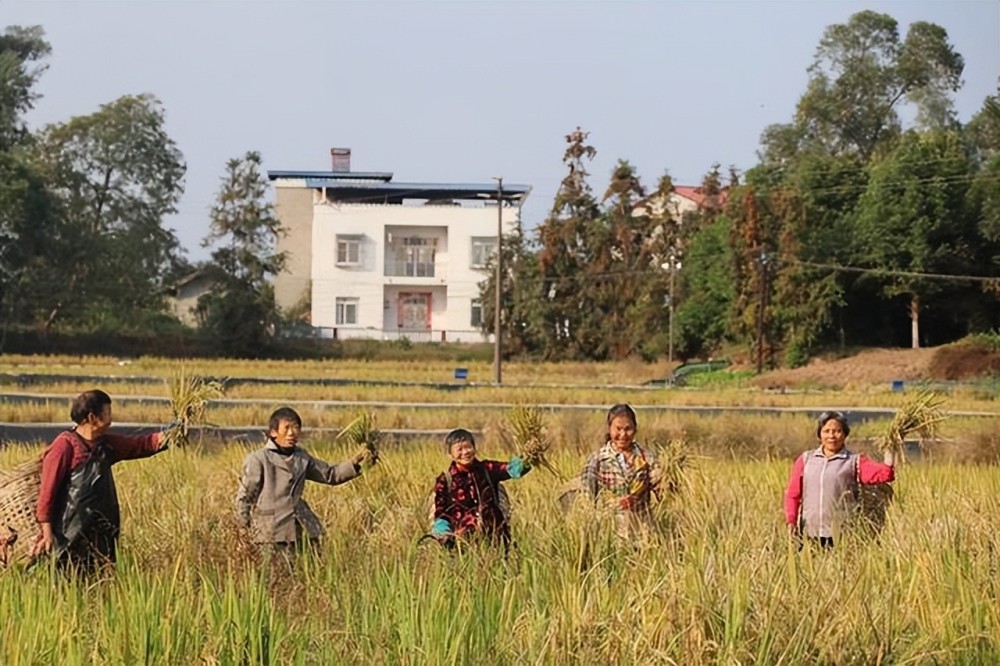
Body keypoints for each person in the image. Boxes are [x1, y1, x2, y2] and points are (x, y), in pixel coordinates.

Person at [31, 389, 168, 573]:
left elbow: (139, 445)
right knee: (68, 577)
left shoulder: (105, 444)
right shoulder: (64, 447)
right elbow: (47, 494)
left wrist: (168, 436)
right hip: (69, 534)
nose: (111, 417)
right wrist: (47, 533)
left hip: (101, 531)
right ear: (92, 417)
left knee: (101, 575)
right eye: (108, 412)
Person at [235, 407, 370, 556]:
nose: (291, 433)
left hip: (302, 529)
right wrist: (243, 528)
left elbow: (330, 474)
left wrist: (356, 461)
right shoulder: (259, 459)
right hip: (270, 533)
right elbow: (245, 497)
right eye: (286, 428)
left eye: (296, 428)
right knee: (275, 576)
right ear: (273, 432)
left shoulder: (302, 457)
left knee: (305, 573)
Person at [784, 410, 896, 548]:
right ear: (820, 434)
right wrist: (791, 521)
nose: (831, 436)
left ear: (845, 434)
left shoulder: (854, 461)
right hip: (809, 533)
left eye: (837, 431)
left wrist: (890, 449)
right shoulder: (806, 459)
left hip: (842, 537)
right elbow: (793, 495)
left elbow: (886, 475)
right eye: (826, 431)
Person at [429, 428, 529, 551]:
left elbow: (509, 469)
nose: (465, 452)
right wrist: (442, 531)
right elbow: (441, 512)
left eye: (468, 447)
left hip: (495, 539)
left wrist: (526, 460)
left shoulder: (487, 469)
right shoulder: (445, 480)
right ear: (450, 454)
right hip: (463, 544)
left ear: (474, 448)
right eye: (459, 449)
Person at [580, 404, 663, 540]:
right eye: (618, 429)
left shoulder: (647, 458)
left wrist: (669, 482)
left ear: (635, 429)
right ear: (609, 429)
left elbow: (663, 490)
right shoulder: (598, 459)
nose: (623, 435)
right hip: (608, 535)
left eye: (628, 429)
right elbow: (586, 498)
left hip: (642, 535)